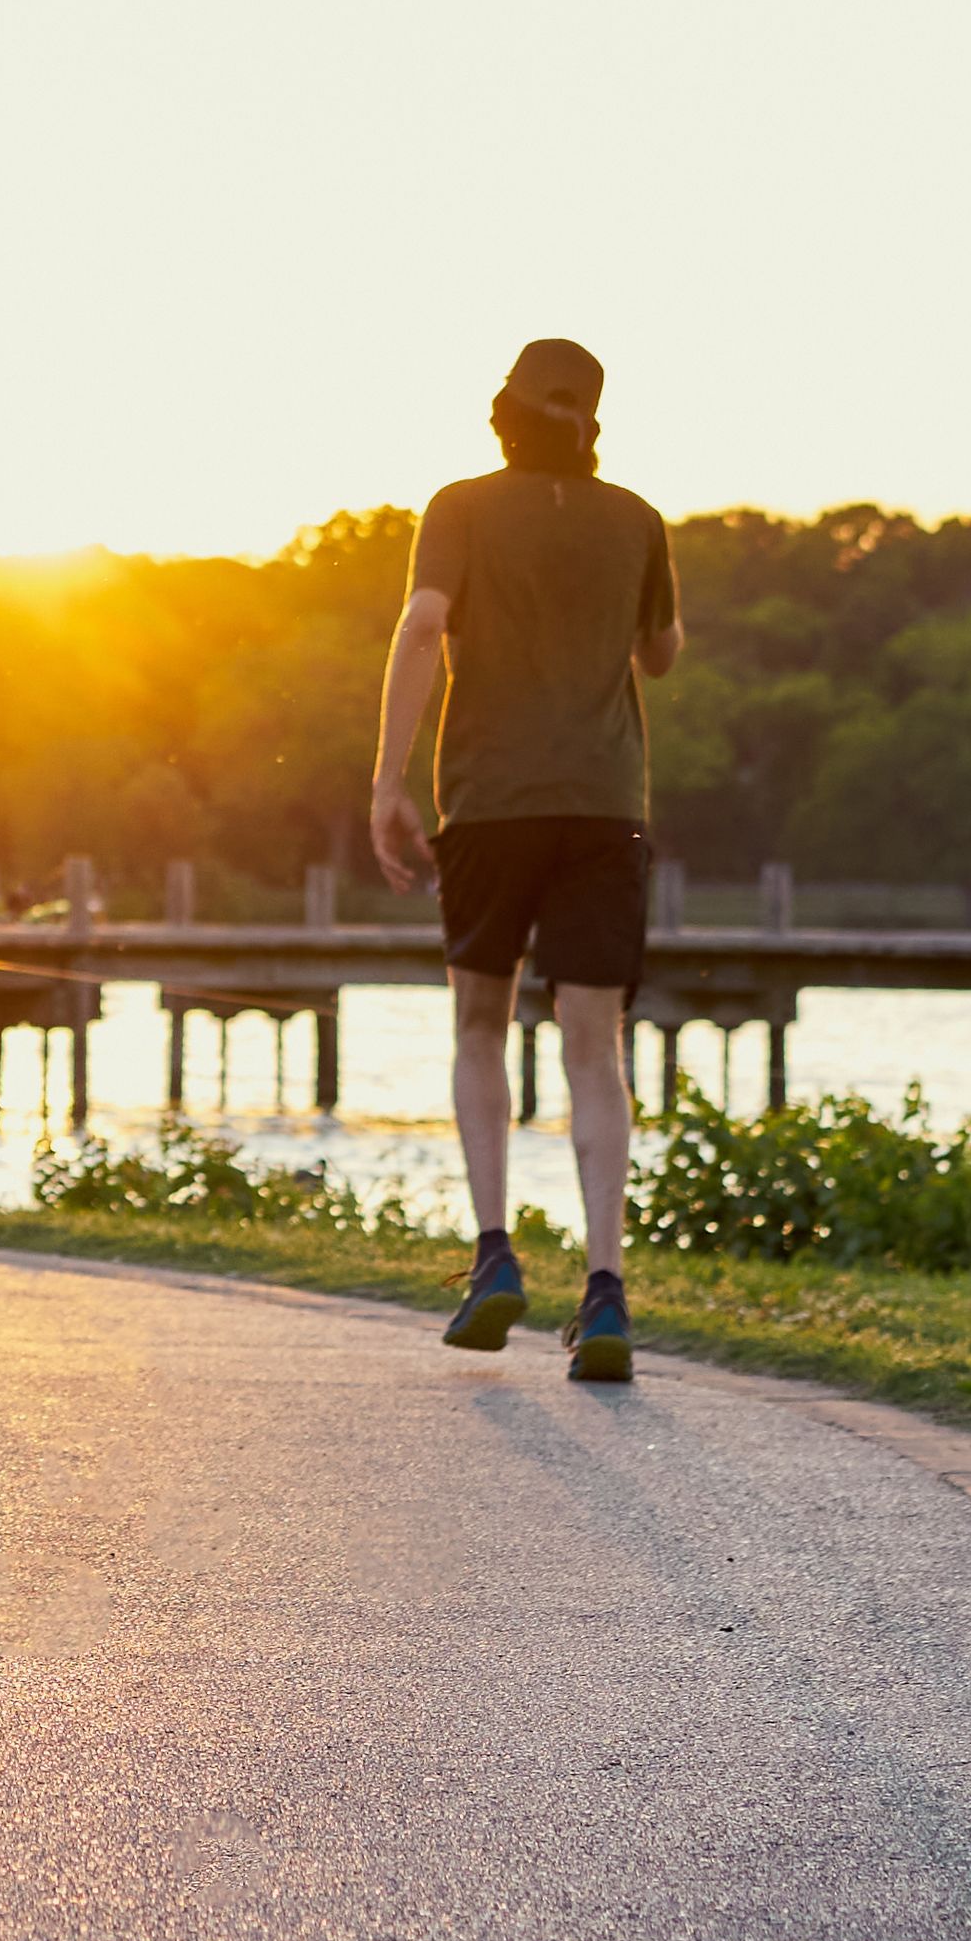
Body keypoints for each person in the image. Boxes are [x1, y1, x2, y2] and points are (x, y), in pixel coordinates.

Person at [367, 338, 680, 1384]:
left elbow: (421, 625)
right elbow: (662, 652)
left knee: (478, 1023)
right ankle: (604, 1292)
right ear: (595, 416)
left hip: (491, 804)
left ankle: (494, 1255)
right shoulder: (637, 519)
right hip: (602, 805)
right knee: (596, 1047)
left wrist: (386, 781)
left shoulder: (457, 508)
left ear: (501, 409)